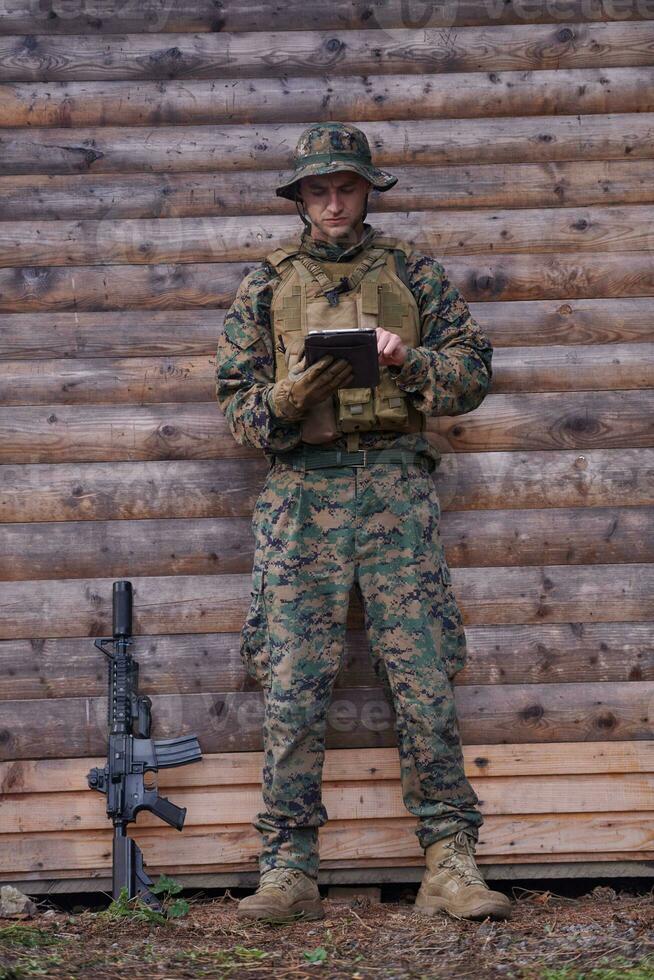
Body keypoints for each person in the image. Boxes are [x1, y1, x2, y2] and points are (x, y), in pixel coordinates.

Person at [214, 122, 511, 923]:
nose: (334, 202)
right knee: (292, 684)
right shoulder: (265, 284)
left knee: (421, 677)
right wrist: (287, 397)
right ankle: (288, 869)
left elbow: (474, 371)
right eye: (319, 189)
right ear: (301, 198)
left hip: (393, 491)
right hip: (301, 498)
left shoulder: (412, 273)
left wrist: (404, 360)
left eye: (347, 187)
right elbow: (237, 409)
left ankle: (450, 862)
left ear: (367, 191)